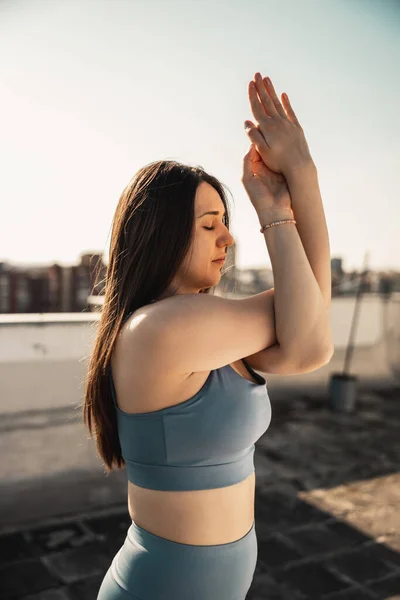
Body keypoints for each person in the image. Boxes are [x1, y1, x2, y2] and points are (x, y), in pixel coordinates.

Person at [83, 72, 333, 600]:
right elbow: (311, 340)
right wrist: (286, 198)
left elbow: (308, 319)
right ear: (162, 233)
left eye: (225, 221)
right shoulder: (160, 329)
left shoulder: (211, 329)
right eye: (208, 225)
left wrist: (294, 190)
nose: (228, 237)